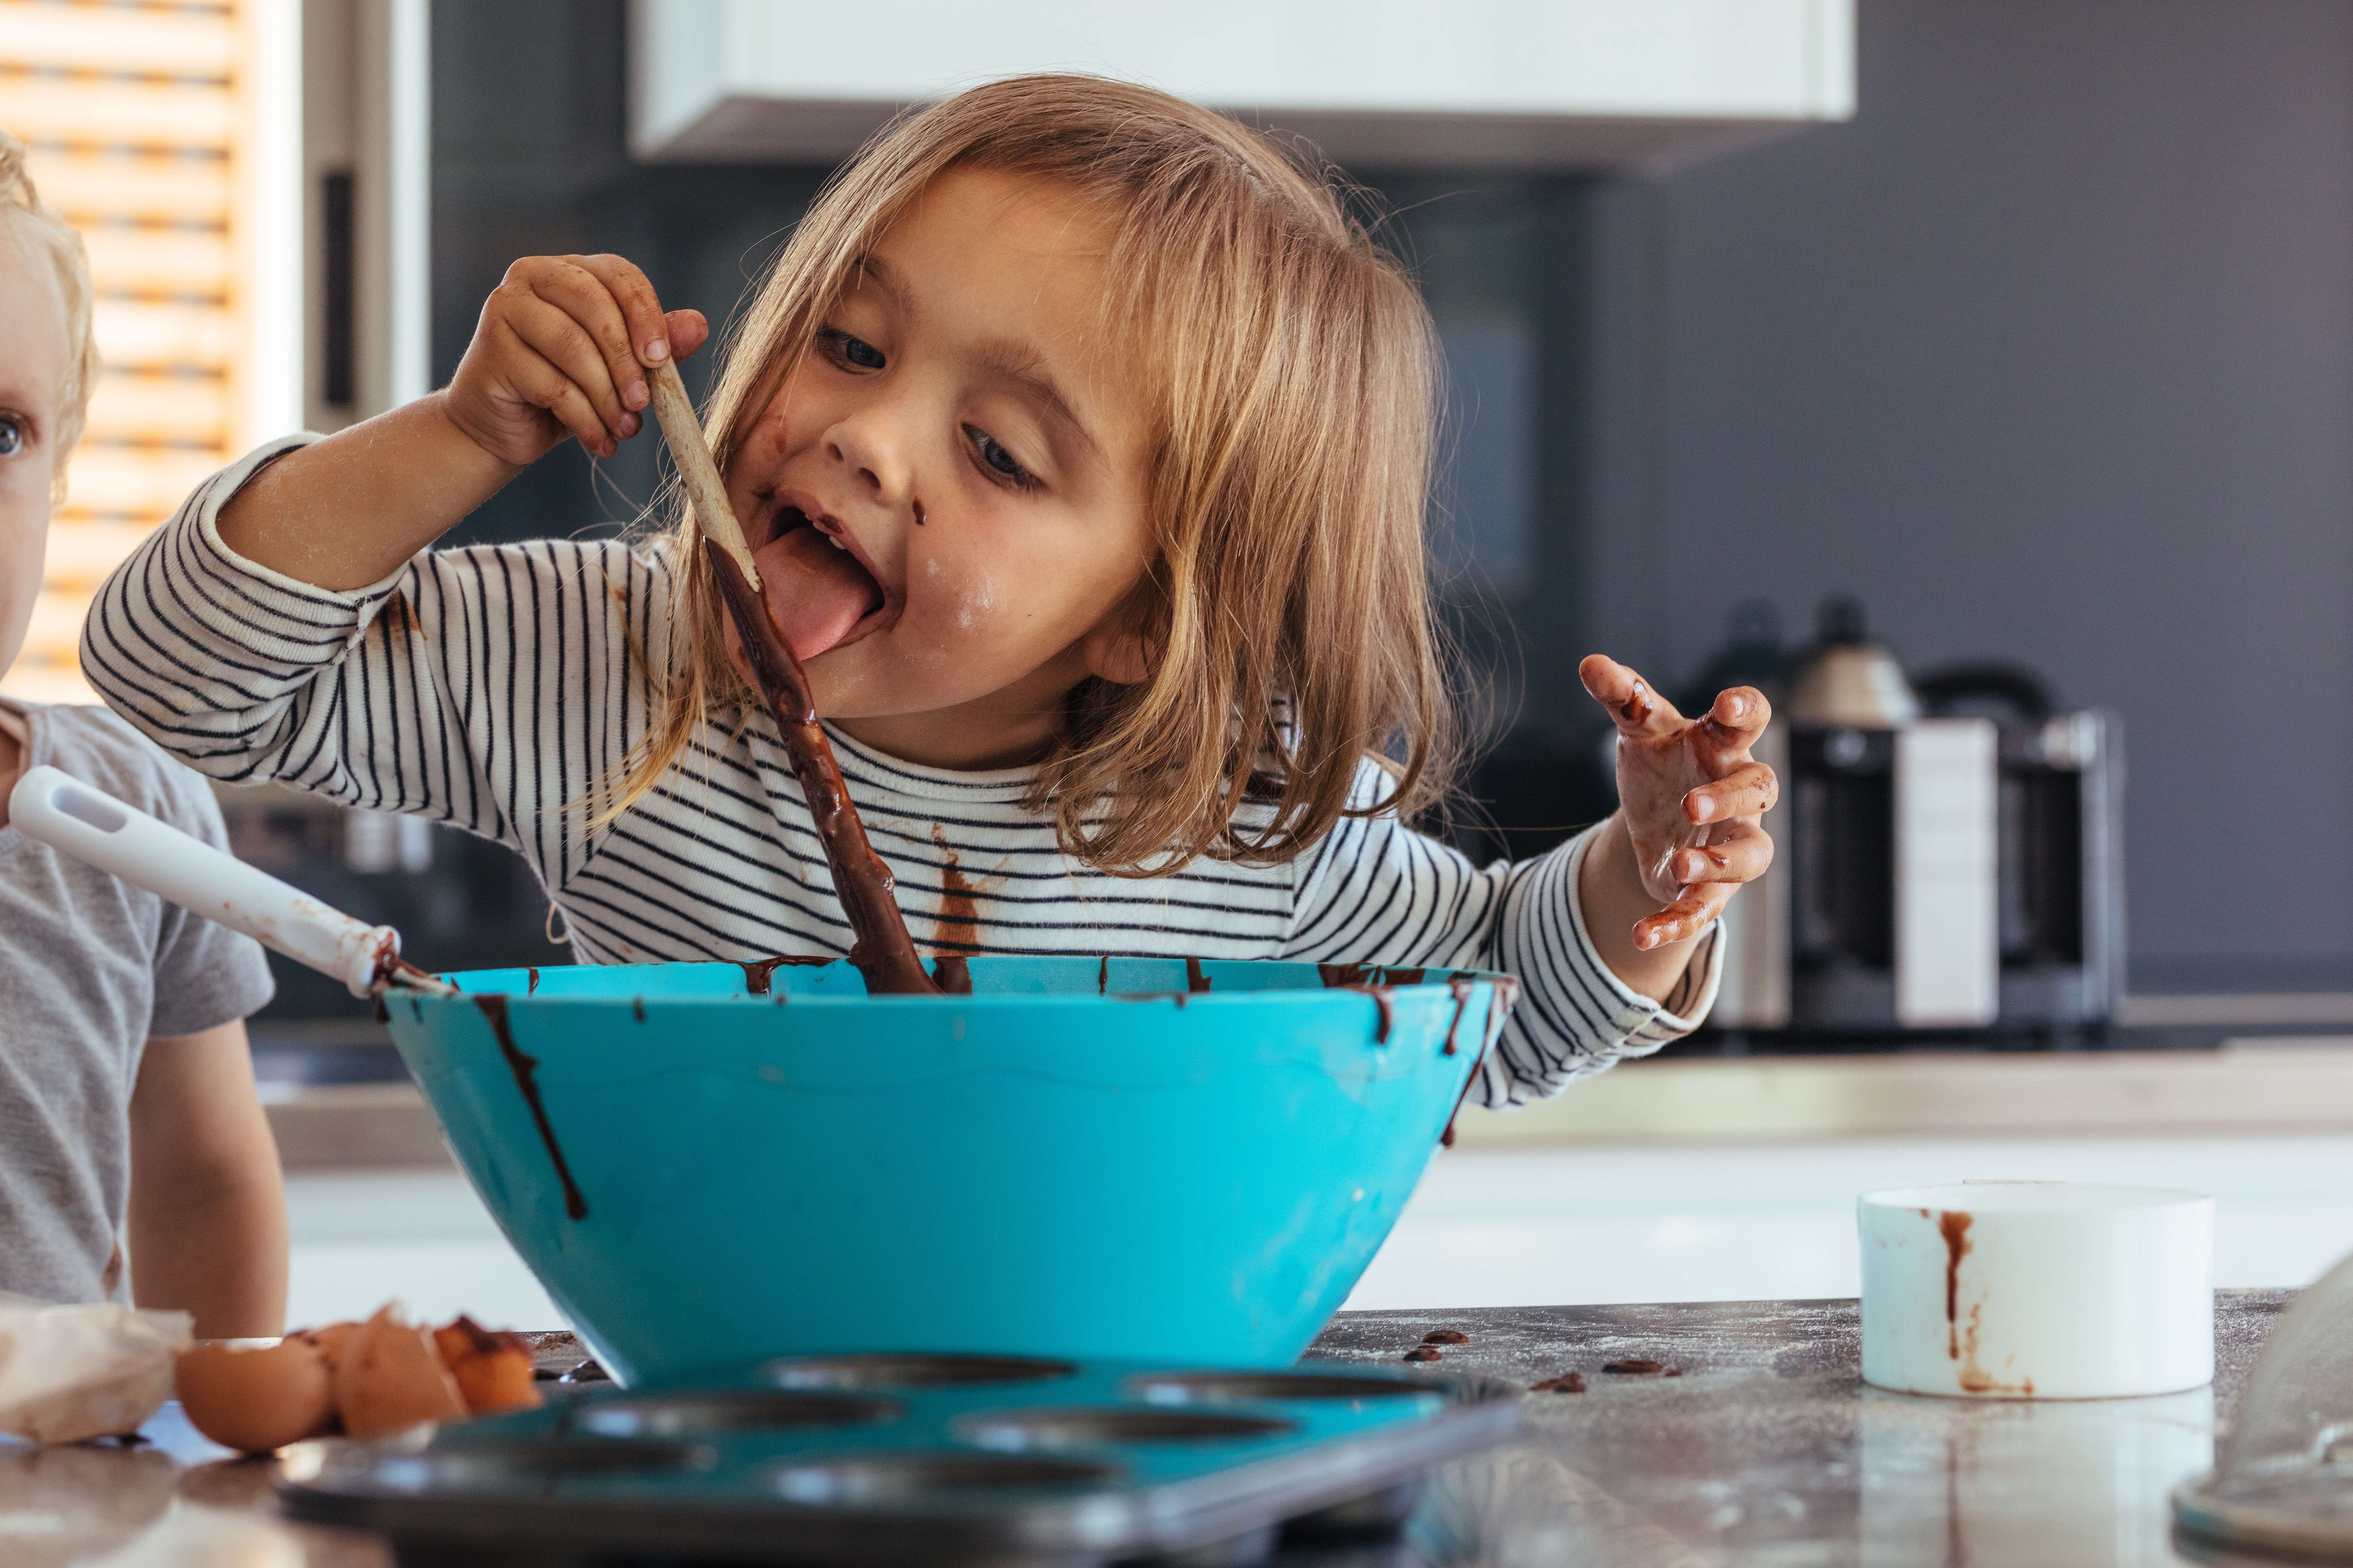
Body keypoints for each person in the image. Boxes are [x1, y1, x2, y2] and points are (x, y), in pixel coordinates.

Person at [83, 77, 1775, 1110]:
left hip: (1118, 1432)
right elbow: (181, 680)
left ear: (1140, 616)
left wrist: (1647, 876)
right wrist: (460, 437)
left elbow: (1492, 1004)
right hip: (713, 1421)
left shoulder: (1230, 813)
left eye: (1000, 453)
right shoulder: (614, 667)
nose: (867, 438)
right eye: (851, 342)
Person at [0, 129, 285, 1333]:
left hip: (61, 1508)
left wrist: (215, 1459)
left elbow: (208, 1183)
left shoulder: (136, 816)